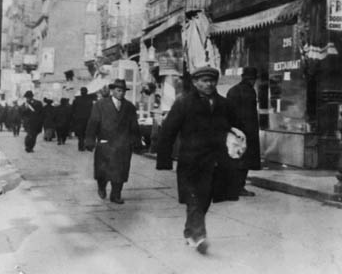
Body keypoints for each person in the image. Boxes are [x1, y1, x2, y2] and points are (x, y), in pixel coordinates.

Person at [156, 66, 240, 254]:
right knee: (194, 199)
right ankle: (198, 236)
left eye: (212, 80)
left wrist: (236, 148)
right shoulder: (183, 103)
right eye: (204, 81)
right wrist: (164, 159)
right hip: (191, 162)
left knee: (205, 200)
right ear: (195, 82)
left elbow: (235, 129)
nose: (209, 84)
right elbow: (168, 131)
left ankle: (190, 230)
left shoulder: (224, 104)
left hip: (215, 162)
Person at [85, 79, 140, 204]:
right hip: (106, 143)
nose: (121, 93)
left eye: (123, 91)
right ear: (112, 90)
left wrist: (136, 141)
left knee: (121, 171)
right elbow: (93, 123)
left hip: (123, 145)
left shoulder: (129, 107)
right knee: (102, 170)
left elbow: (134, 126)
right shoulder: (100, 105)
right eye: (118, 90)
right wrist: (89, 140)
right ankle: (101, 186)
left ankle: (116, 195)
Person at [226, 66, 261, 197]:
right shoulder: (250, 91)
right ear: (253, 79)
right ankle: (239, 187)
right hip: (247, 131)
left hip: (233, 131)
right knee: (244, 161)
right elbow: (250, 115)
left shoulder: (232, 90)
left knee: (234, 158)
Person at [72, 87, 93, 151]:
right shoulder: (90, 100)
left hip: (79, 120)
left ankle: (81, 146)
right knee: (87, 133)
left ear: (81, 92)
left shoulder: (76, 100)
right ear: (87, 92)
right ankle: (87, 145)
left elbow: (73, 110)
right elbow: (92, 110)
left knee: (80, 133)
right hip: (87, 119)